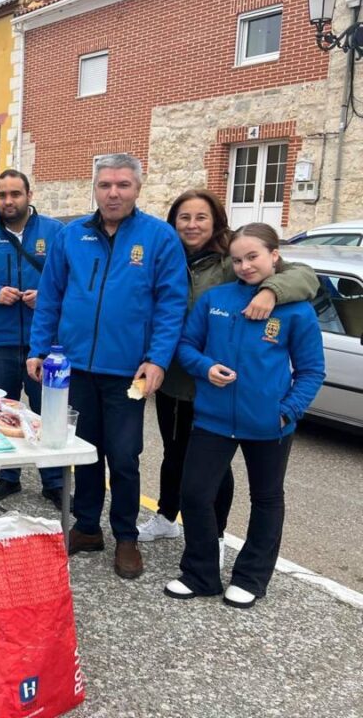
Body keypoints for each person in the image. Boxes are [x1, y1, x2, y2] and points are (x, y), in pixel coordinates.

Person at [27, 154, 187, 580]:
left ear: (137, 188)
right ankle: (86, 527)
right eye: (105, 185)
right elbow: (51, 297)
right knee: (83, 452)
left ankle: (126, 537)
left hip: (126, 372)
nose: (113, 193)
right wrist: (38, 349)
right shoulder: (71, 235)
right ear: (94, 189)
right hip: (74, 367)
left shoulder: (159, 238)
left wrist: (157, 359)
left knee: (124, 455)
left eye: (122, 185)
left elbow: (171, 305)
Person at [138, 190, 319, 559]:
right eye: (184, 217)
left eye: (200, 217)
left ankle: (215, 536)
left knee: (211, 466)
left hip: (219, 389)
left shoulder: (231, 260)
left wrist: (270, 290)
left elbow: (303, 276)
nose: (191, 225)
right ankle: (167, 515)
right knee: (175, 454)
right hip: (176, 376)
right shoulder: (166, 256)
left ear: (216, 220)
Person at [166, 223, 324, 608]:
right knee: (196, 494)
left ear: (274, 255)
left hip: (269, 425)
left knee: (266, 498)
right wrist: (205, 368)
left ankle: (252, 577)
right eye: (237, 259)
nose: (245, 266)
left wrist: (286, 412)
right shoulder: (215, 300)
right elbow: (186, 346)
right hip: (213, 419)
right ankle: (201, 574)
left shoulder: (296, 310)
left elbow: (311, 371)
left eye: (253, 257)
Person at [0, 169, 65, 506]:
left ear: (29, 195)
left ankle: (53, 480)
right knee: (3, 410)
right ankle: (8, 475)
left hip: (45, 343)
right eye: (2, 195)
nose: (8, 201)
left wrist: (46, 298)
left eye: (15, 194)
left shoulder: (55, 232)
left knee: (47, 411)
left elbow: (72, 283)